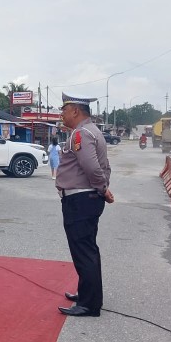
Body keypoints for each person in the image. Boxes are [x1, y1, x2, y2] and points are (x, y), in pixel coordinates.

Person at [56, 93, 114, 317]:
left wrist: (102, 188)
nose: (61, 113)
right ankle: (87, 293)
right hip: (84, 198)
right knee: (86, 249)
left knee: (84, 251)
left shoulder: (81, 133)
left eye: (64, 109)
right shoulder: (90, 131)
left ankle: (89, 305)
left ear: (75, 111)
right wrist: (102, 188)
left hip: (80, 199)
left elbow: (91, 166)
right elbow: (103, 165)